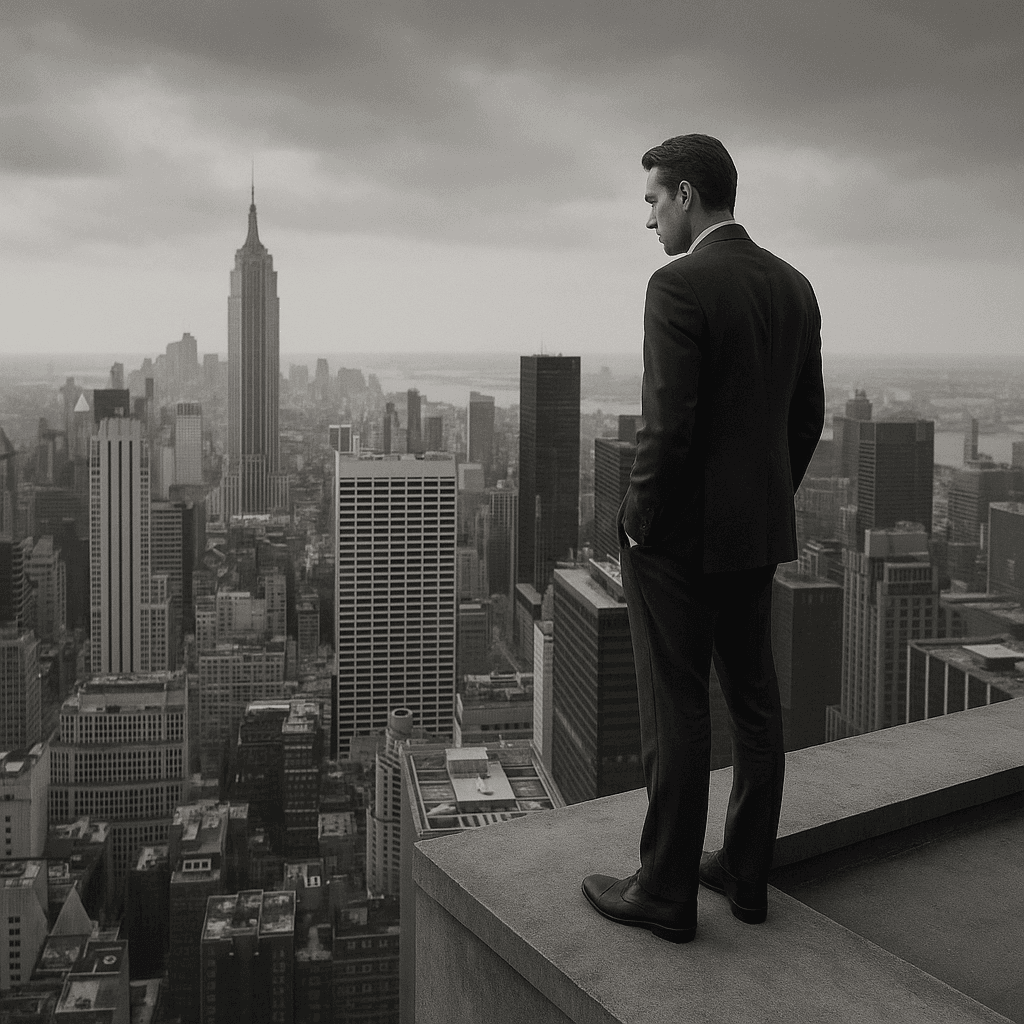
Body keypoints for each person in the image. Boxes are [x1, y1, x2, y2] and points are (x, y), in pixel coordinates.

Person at [582, 134, 825, 944]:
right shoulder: (795, 287)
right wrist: (763, 502)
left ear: (687, 195)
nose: (647, 218)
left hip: (679, 543)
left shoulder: (677, 286)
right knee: (755, 706)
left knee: (676, 709)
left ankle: (665, 891)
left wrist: (636, 524)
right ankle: (746, 875)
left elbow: (666, 427)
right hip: (753, 534)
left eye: (653, 200)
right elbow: (806, 419)